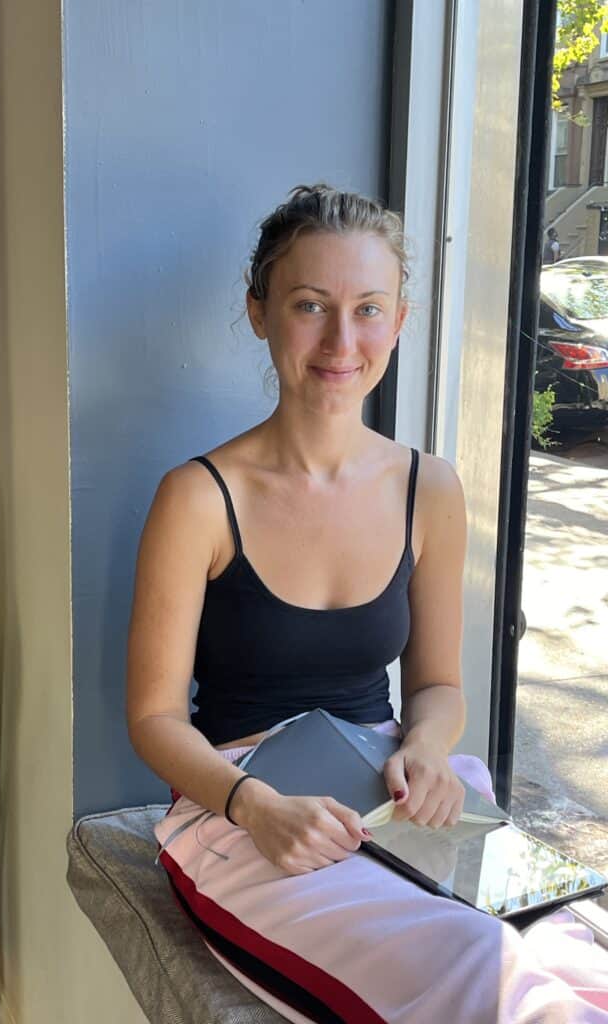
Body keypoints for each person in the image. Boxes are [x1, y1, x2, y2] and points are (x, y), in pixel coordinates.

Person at [126, 184, 608, 1022]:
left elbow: (438, 688)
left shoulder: (430, 488)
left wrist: (426, 744)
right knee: (487, 972)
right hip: (239, 810)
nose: (341, 341)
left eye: (368, 309)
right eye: (310, 305)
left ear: (399, 319)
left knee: (573, 951)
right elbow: (155, 718)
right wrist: (254, 806)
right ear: (259, 312)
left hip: (393, 789)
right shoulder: (198, 497)